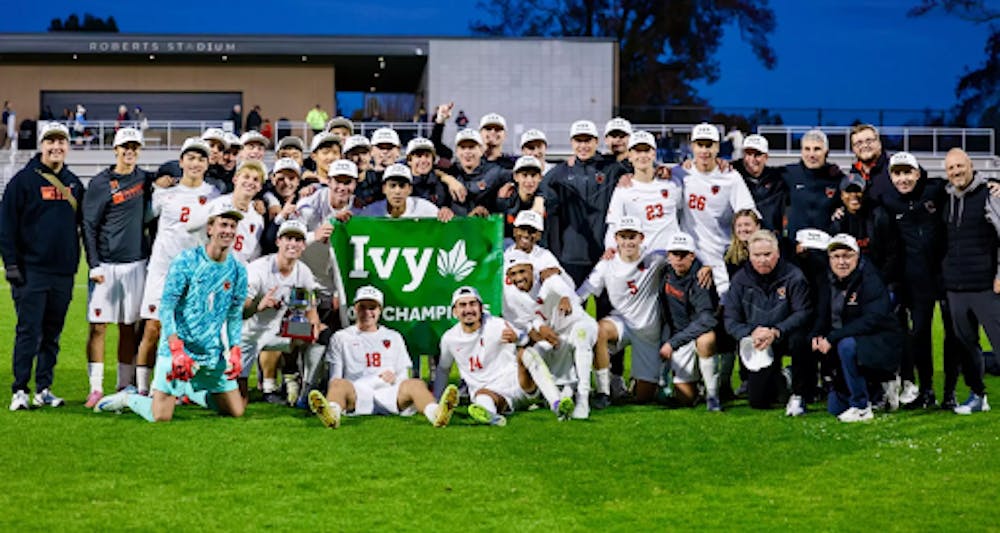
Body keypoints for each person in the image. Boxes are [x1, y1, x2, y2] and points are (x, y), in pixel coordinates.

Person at [95, 203, 248, 422]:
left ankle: (193, 391)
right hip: (179, 351)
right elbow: (167, 307)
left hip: (212, 353)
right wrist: (176, 349)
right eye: (223, 224)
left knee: (236, 411)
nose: (229, 231)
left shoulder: (238, 270)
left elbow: (234, 314)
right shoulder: (186, 262)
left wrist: (234, 349)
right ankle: (128, 398)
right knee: (160, 417)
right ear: (210, 228)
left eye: (233, 226)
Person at [1, 122, 84, 410]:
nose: (56, 147)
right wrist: (10, 263)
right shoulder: (22, 181)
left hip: (63, 273)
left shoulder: (74, 183)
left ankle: (44, 388)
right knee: (28, 331)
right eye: (50, 141)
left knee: (52, 333)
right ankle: (20, 389)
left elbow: (81, 226)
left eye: (61, 142)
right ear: (41, 145)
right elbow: (6, 225)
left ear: (68, 147)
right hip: (31, 271)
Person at [136, 138, 221, 395]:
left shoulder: (214, 195)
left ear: (207, 164)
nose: (196, 163)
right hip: (162, 270)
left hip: (195, 274)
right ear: (181, 161)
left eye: (201, 159)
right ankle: (142, 388)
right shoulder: (163, 193)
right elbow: (141, 219)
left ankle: (179, 386)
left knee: (187, 332)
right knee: (153, 327)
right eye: (191, 158)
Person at [309, 286, 460, 428]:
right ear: (355, 308)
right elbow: (335, 377)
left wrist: (394, 379)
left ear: (380, 310)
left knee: (416, 383)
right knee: (338, 384)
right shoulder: (341, 337)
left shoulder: (393, 336)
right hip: (357, 392)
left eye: (372, 307)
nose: (367, 312)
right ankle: (332, 414)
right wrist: (371, 382)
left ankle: (436, 414)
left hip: (389, 392)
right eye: (362, 307)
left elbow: (403, 375)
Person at [879, 151, 956, 408]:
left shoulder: (936, 190)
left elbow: (963, 184)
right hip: (915, 280)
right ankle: (927, 390)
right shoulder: (888, 201)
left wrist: (995, 183)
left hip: (946, 277)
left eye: (907, 172)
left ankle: (950, 392)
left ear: (918, 173)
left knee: (953, 335)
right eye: (897, 173)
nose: (902, 178)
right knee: (920, 335)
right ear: (891, 176)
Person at [81, 127, 150, 407]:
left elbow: (172, 171)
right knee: (98, 327)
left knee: (128, 327)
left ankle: (124, 384)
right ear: (115, 150)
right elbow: (88, 225)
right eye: (125, 147)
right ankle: (95, 388)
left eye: (134, 147)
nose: (129, 152)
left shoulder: (145, 179)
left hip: (135, 265)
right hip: (106, 267)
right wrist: (94, 264)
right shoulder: (100, 183)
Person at [435, 286, 568, 426]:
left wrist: (517, 338)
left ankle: (557, 403)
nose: (468, 309)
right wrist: (437, 401)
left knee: (527, 353)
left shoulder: (496, 324)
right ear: (454, 311)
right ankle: (494, 419)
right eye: (462, 305)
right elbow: (443, 369)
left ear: (481, 308)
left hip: (520, 384)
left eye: (473, 304)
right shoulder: (450, 339)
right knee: (482, 397)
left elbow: (524, 339)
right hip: (491, 394)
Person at [578, 216, 670, 406]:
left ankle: (644, 382)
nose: (628, 242)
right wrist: (565, 302)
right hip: (621, 323)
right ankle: (603, 392)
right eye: (623, 237)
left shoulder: (655, 259)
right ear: (616, 239)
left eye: (632, 237)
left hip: (647, 331)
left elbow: (683, 257)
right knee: (599, 330)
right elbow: (584, 291)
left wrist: (707, 268)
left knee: (643, 398)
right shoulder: (606, 264)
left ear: (641, 238)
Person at [811, 234, 903, 422]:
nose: (841, 262)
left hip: (880, 340)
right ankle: (878, 390)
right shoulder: (826, 280)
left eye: (847, 256)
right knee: (835, 407)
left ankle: (861, 406)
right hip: (846, 340)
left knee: (847, 346)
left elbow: (872, 320)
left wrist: (833, 337)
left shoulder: (870, 279)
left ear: (858, 256)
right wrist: (817, 335)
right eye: (836, 257)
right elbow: (822, 314)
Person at [724, 230, 812, 412]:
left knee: (800, 339)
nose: (762, 260)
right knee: (758, 402)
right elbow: (730, 320)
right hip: (758, 341)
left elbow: (803, 312)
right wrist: (751, 333)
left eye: (767, 254)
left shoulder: (794, 276)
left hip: (785, 335)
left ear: (777, 253)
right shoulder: (739, 280)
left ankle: (799, 393)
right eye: (757, 255)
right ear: (749, 255)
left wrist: (776, 331)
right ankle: (781, 378)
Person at [239, 220, 324, 406]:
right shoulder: (258, 269)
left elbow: (311, 311)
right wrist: (258, 306)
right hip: (247, 333)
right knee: (237, 403)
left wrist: (315, 328)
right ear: (278, 241)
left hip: (278, 331)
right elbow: (239, 310)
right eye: (288, 238)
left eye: (298, 240)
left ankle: (305, 390)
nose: (293, 244)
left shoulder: (304, 273)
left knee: (320, 335)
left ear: (303, 245)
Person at [941, 148, 1000, 414]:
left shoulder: (989, 194)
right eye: (951, 168)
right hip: (956, 287)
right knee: (967, 345)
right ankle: (978, 396)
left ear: (971, 165)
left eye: (960, 166)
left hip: (987, 285)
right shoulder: (945, 197)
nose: (956, 172)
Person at [503, 250, 595, 419]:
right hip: (557, 337)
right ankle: (558, 402)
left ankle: (583, 400)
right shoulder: (514, 297)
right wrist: (541, 329)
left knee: (580, 336)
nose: (518, 278)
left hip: (579, 327)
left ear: (531, 269)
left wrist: (565, 297)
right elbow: (534, 318)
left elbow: (566, 292)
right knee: (531, 354)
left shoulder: (549, 280)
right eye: (513, 274)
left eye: (522, 271)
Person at [673, 122, 756, 296]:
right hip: (689, 255)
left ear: (717, 147)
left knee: (724, 308)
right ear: (692, 146)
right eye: (700, 145)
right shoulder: (680, 174)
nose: (704, 151)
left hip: (722, 256)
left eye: (709, 145)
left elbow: (748, 214)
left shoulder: (730, 177)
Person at [659, 232, 721, 410]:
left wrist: (673, 343)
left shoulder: (702, 277)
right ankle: (694, 384)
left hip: (692, 335)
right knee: (685, 399)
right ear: (668, 255)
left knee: (706, 340)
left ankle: (712, 395)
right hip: (677, 336)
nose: (679, 259)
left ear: (692, 255)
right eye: (674, 254)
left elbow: (707, 320)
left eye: (683, 254)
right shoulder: (665, 272)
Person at [605, 131, 683, 252]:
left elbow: (684, 213)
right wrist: (610, 249)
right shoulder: (623, 189)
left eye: (646, 151)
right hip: (641, 258)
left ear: (654, 154)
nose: (642, 155)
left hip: (671, 258)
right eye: (637, 151)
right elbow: (614, 225)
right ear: (630, 156)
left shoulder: (673, 183)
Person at [827, 174, 900, 287]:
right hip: (849, 281)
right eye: (848, 192)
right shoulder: (838, 222)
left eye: (858, 191)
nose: (853, 196)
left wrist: (880, 281)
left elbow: (893, 253)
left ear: (865, 193)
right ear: (841, 196)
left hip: (879, 278)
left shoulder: (879, 216)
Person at [783, 129, 846, 247]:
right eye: (807, 149)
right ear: (801, 151)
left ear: (826, 152)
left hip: (826, 249)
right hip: (795, 248)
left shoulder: (837, 178)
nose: (811, 154)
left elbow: (853, 201)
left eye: (817, 149)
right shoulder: (789, 173)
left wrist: (843, 210)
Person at [437, 129, 508, 216]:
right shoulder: (451, 172)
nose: (467, 152)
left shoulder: (495, 171)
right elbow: (427, 171)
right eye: (462, 148)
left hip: (485, 226)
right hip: (456, 227)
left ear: (481, 150)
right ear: (457, 152)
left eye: (471, 147)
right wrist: (448, 179)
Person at [209, 160, 265, 264]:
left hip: (239, 272)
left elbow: (254, 254)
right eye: (246, 177)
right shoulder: (217, 205)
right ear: (235, 179)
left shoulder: (258, 217)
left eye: (256, 180)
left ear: (260, 187)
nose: (250, 182)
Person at [731, 134, 787, 233]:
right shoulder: (732, 175)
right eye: (748, 154)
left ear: (766, 157)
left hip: (769, 240)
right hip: (741, 238)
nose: (752, 159)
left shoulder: (777, 179)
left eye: (757, 154)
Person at [357, 164, 454, 221]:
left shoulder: (425, 209)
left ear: (410, 189)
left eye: (402, 186)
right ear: (384, 189)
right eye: (392, 186)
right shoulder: (370, 212)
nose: (397, 191)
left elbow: (447, 227)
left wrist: (446, 214)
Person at [495, 156, 548, 242]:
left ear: (540, 178)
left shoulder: (548, 199)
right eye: (524, 175)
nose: (529, 180)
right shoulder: (505, 200)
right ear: (516, 177)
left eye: (533, 175)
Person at [847, 124, 892, 204]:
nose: (864, 146)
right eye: (858, 143)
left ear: (879, 144)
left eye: (869, 141)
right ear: (853, 149)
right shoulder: (852, 176)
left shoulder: (895, 167)